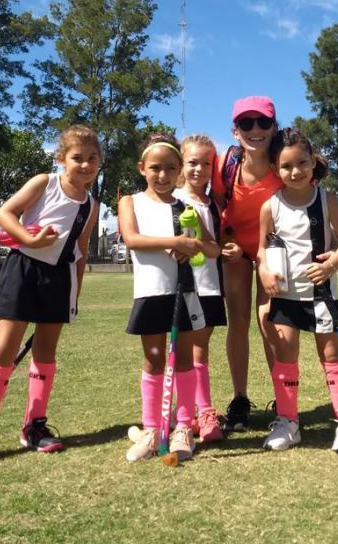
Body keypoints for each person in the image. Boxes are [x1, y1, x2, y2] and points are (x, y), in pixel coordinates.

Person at [0, 125, 101, 464]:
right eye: (77, 158)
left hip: (60, 278)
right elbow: (3, 214)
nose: (85, 165)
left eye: (92, 159)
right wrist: (27, 240)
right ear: (62, 159)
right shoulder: (44, 182)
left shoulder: (92, 204)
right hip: (23, 269)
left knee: (45, 351)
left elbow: (81, 248)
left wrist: (75, 292)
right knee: (4, 347)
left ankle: (35, 426)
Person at [256, 127, 338, 454]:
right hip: (286, 297)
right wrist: (264, 273)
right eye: (286, 166)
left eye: (302, 163)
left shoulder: (327, 200)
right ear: (275, 169)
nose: (295, 171)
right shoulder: (270, 206)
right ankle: (288, 423)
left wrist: (330, 266)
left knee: (330, 355)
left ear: (313, 162)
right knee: (284, 355)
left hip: (321, 296)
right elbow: (262, 251)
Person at [118, 134, 221, 462]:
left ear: (178, 172)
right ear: (142, 168)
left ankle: (181, 428)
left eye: (170, 169)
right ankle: (152, 429)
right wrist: (177, 241)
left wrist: (195, 246)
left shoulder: (186, 207)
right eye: (155, 168)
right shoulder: (130, 202)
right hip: (150, 292)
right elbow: (132, 239)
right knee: (154, 359)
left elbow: (210, 247)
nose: (162, 175)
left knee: (186, 360)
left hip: (184, 293)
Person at [210, 95, 284, 431]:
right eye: (246, 123)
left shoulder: (285, 163)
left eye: (263, 122)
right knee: (237, 321)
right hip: (236, 251)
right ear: (235, 130)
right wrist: (227, 243)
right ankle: (240, 399)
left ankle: (284, 399)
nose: (255, 130)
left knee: (269, 321)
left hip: (275, 251)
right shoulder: (225, 164)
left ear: (273, 126)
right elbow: (213, 208)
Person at [173, 134, 228, 443]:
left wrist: (226, 248)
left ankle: (200, 411)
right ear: (182, 163)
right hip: (184, 288)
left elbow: (216, 245)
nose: (199, 169)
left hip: (210, 285)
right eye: (192, 162)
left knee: (202, 348)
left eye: (206, 163)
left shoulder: (213, 204)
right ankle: (196, 411)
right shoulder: (175, 197)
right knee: (186, 351)